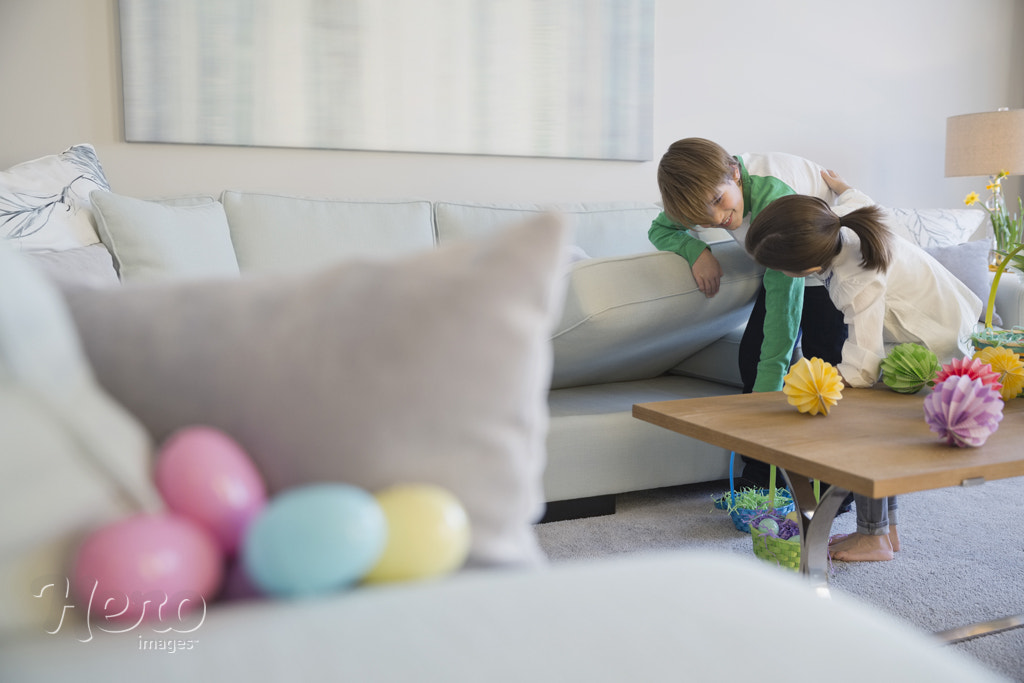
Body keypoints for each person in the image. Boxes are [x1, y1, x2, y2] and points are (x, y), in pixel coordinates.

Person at [745, 173, 983, 561]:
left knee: (860, 425)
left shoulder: (858, 282)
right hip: (940, 318)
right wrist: (840, 185)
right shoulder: (839, 220)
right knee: (869, 421)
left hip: (931, 342)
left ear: (804, 269)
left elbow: (863, 366)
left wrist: (809, 384)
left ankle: (874, 537)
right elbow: (856, 196)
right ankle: (885, 533)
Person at [650, 138, 851, 494]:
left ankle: (834, 487)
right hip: (784, 268)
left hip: (832, 273)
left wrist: (767, 390)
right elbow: (660, 228)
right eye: (702, 217)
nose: (717, 219)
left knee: (827, 369)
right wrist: (696, 250)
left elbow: (784, 314)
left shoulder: (776, 201)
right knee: (751, 356)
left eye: (718, 202)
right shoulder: (707, 194)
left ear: (734, 172)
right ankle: (760, 478)